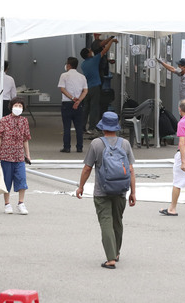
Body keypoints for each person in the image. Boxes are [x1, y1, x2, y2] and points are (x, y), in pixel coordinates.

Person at [75, 112, 136, 269]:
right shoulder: (125, 144)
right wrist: (133, 192)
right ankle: (116, 252)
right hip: (121, 190)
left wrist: (80, 186)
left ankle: (110, 259)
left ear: (103, 127)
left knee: (106, 223)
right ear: (116, 127)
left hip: (102, 191)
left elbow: (87, 168)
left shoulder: (96, 144)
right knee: (117, 221)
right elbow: (130, 170)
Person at [0, 97, 31, 214]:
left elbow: (25, 139)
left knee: (21, 179)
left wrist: (28, 155)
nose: (18, 108)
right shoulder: (4, 120)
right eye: (16, 105)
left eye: (20, 106)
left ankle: (21, 203)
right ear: (11, 106)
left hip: (19, 155)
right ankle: (7, 204)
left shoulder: (24, 121)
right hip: (5, 155)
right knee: (7, 181)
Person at [80, 37, 118, 135]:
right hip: (95, 87)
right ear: (88, 54)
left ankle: (82, 127)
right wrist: (111, 41)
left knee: (86, 108)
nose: (91, 51)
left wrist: (107, 60)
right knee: (94, 108)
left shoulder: (83, 64)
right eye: (89, 51)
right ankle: (92, 127)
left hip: (86, 88)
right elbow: (105, 50)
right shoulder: (94, 60)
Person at [58, 57, 88, 153]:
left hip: (67, 104)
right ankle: (79, 147)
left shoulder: (64, 75)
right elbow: (85, 91)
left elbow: (62, 89)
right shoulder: (82, 77)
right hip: (78, 104)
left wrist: (72, 98)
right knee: (78, 127)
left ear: (69, 65)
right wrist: (78, 100)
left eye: (67, 64)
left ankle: (67, 147)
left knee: (66, 127)